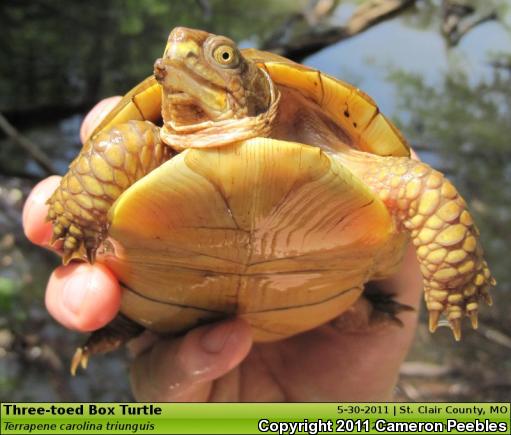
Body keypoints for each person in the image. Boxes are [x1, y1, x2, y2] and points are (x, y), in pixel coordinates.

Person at [22, 98, 423, 401]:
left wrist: (453, 277)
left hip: (330, 314)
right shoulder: (142, 143)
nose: (182, 60)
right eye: (169, 66)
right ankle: (127, 318)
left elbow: (421, 187)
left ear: (258, 89)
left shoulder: (335, 139)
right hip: (171, 303)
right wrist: (75, 221)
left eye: (224, 57)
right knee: (110, 154)